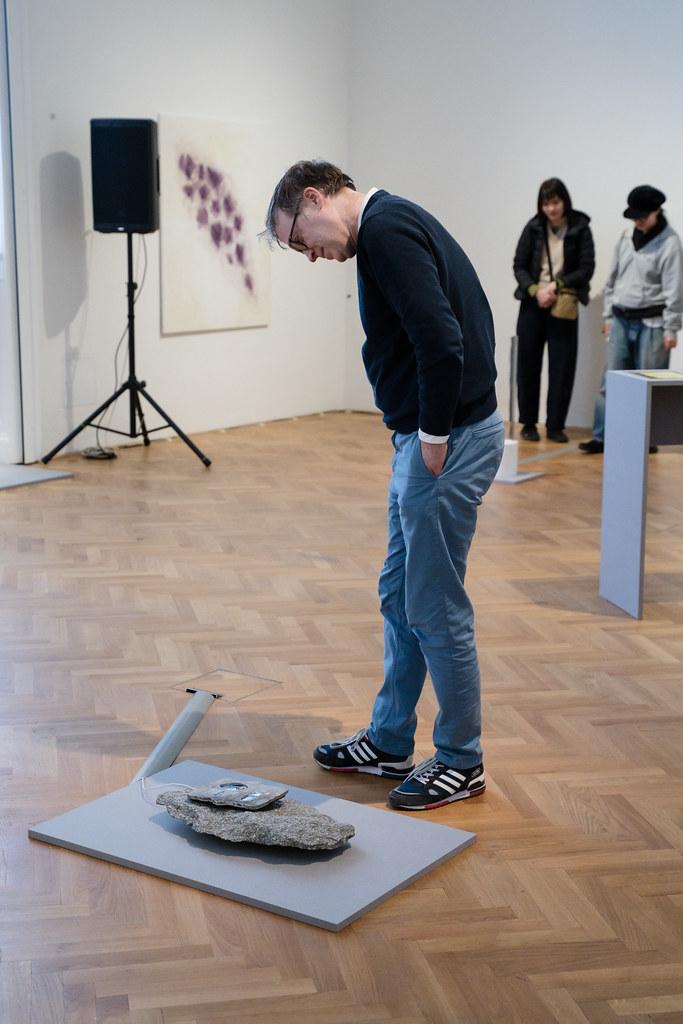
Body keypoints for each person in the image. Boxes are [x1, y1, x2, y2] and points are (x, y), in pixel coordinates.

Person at [264, 161, 504, 811]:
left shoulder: (387, 230)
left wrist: (432, 435)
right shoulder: (384, 228)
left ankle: (461, 759)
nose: (309, 255)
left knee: (433, 604)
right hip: (429, 440)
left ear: (313, 198)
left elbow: (441, 340)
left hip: (446, 443)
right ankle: (391, 739)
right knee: (400, 593)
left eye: (299, 238)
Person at [579, 185, 682, 454]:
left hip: (653, 324)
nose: (638, 221)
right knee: (611, 381)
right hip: (621, 319)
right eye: (634, 216)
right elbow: (613, 278)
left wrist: (671, 329)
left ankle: (647, 440)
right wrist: (607, 314)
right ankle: (602, 436)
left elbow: (674, 289)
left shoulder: (670, 243)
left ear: (657, 211)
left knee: (650, 384)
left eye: (643, 216)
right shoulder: (626, 237)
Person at [513, 178, 595, 443]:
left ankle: (555, 425)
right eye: (546, 203)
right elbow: (519, 265)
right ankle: (528, 423)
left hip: (564, 304)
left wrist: (556, 286)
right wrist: (536, 290)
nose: (551, 209)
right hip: (533, 304)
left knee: (562, 367)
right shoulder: (533, 227)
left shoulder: (580, 227)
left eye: (555, 202)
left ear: (564, 201)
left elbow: (586, 268)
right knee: (528, 364)